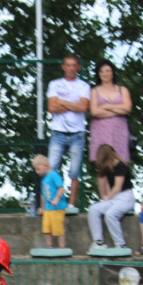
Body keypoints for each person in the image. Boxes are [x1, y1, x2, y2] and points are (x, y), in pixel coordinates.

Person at [46, 54, 90, 211]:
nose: (71, 68)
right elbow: (52, 108)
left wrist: (62, 102)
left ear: (78, 67)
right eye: (68, 65)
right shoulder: (54, 84)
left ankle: (71, 205)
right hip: (58, 132)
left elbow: (83, 107)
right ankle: (50, 202)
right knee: (51, 168)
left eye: (74, 65)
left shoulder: (84, 86)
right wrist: (74, 104)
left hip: (77, 133)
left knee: (75, 170)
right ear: (63, 67)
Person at [87, 144, 135, 252]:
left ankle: (120, 244)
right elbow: (109, 185)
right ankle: (98, 242)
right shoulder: (109, 167)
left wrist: (107, 198)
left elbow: (117, 187)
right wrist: (106, 200)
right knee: (93, 209)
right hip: (114, 199)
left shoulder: (121, 166)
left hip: (125, 198)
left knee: (110, 214)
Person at [88, 60, 132, 164]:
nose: (105, 74)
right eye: (102, 71)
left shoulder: (123, 90)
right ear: (98, 74)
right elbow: (94, 112)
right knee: (103, 164)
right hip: (100, 131)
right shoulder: (94, 91)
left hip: (119, 130)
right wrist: (118, 111)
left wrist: (107, 106)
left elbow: (127, 108)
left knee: (120, 163)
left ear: (113, 72)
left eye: (108, 71)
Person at [33, 154, 67, 248]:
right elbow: (43, 195)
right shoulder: (44, 179)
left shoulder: (54, 175)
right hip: (48, 209)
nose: (37, 172)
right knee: (46, 229)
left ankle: (62, 247)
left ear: (45, 166)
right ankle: (49, 246)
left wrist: (56, 199)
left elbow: (61, 188)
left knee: (58, 229)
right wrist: (42, 207)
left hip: (57, 208)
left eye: (38, 169)